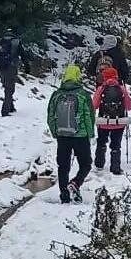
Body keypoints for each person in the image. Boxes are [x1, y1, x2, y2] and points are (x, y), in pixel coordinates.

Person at [46, 64, 95, 204]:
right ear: (78, 77)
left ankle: (64, 196)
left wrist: (55, 132)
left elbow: (50, 115)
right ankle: (75, 183)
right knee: (85, 164)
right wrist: (90, 133)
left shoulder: (56, 95)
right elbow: (89, 115)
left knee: (63, 166)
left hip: (62, 135)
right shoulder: (83, 94)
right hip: (80, 136)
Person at [92, 65, 131, 175]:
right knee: (116, 145)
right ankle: (115, 167)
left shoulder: (101, 89)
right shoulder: (121, 89)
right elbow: (130, 106)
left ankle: (99, 164)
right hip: (119, 123)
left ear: (104, 77)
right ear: (116, 76)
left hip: (103, 122)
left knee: (101, 142)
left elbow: (94, 106)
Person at [0, 29, 21, 116]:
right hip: (11, 68)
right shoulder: (16, 42)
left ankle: (11, 107)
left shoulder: (0, 42)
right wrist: (27, 66)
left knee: (7, 87)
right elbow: (23, 55)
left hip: (0, 67)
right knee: (10, 89)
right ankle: (5, 111)